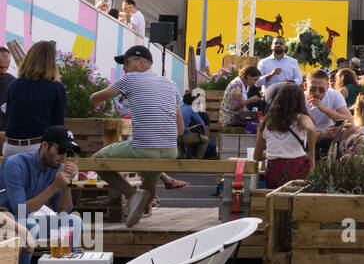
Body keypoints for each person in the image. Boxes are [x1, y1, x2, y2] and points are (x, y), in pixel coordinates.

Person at [88, 45, 183, 227]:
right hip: (171, 151)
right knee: (150, 177)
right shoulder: (171, 84)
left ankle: (132, 195)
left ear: (142, 62)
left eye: (126, 62)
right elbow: (180, 129)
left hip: (143, 148)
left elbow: (95, 98)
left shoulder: (129, 79)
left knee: (95, 160)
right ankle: (136, 214)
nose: (123, 67)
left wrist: (98, 100)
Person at [0, 126, 86, 264]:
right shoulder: (15, 164)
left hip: (21, 218)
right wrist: (55, 186)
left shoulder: (56, 168)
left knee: (72, 222)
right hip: (5, 218)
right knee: (29, 226)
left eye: (68, 153)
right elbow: (20, 210)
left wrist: (67, 185)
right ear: (45, 145)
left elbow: (63, 211)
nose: (64, 157)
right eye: (61, 150)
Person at [2, 40, 67, 157]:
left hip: (11, 147)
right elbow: (58, 126)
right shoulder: (57, 87)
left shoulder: (14, 85)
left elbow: (8, 119)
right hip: (37, 147)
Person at [255, 86, 316, 188]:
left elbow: (257, 156)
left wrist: (274, 152)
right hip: (296, 170)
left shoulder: (266, 123)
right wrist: (312, 155)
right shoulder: (301, 118)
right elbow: (311, 129)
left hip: (273, 173)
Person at [305, 68, 350, 158]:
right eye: (312, 89)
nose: (317, 93)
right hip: (306, 141)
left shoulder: (334, 94)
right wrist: (322, 134)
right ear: (306, 86)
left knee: (354, 130)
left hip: (329, 138)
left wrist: (325, 109)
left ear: (327, 87)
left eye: (321, 90)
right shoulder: (299, 98)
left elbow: (350, 121)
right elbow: (297, 134)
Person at [257, 36, 303, 101]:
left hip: (288, 97)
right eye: (276, 43)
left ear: (285, 47)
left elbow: (299, 79)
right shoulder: (263, 62)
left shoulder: (293, 61)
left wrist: (290, 82)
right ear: (271, 46)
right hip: (269, 97)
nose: (278, 45)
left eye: (281, 43)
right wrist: (270, 74)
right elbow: (257, 82)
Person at [220, 64, 262, 129]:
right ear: (248, 76)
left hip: (234, 119)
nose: (255, 82)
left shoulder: (240, 83)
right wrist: (250, 100)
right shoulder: (236, 85)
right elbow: (236, 107)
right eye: (254, 79)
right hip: (230, 121)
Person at [180, 91, 216, 159]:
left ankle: (184, 158)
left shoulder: (180, 108)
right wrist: (203, 133)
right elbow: (201, 122)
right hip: (185, 135)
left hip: (177, 136)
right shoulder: (191, 109)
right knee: (205, 140)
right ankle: (198, 159)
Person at [0, 46, 14, 149]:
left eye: (7, 67)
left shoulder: (12, 82)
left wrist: (6, 132)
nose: (4, 71)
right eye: (0, 67)